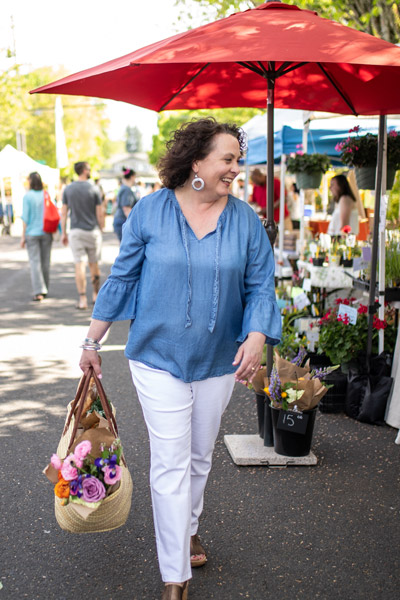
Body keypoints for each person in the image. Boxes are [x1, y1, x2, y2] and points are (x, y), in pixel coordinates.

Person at [79, 118, 281, 600]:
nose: (236, 168)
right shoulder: (150, 211)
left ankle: (188, 528)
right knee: (170, 462)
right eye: (227, 159)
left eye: (238, 159)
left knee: (197, 458)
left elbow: (260, 285)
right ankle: (176, 578)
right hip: (157, 357)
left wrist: (257, 335)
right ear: (197, 163)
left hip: (218, 361)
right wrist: (92, 342)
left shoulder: (247, 221)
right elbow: (122, 279)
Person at [61, 161, 104, 309]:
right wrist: (102, 227)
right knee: (94, 264)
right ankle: (96, 296)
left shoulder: (68, 189)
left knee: (79, 264)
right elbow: (99, 212)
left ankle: (82, 300)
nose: (91, 170)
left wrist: (63, 232)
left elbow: (64, 212)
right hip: (92, 231)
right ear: (85, 170)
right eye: (89, 168)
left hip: (76, 231)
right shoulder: (94, 188)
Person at [20, 172, 54, 301]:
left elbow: (25, 218)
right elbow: (52, 211)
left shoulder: (27, 196)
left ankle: (39, 291)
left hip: (32, 233)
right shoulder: (46, 194)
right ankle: (44, 288)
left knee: (35, 262)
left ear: (30, 181)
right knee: (45, 261)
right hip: (46, 232)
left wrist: (23, 237)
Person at [113, 167, 139, 241]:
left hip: (121, 221)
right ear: (132, 177)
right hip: (123, 221)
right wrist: (134, 224)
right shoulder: (126, 190)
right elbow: (126, 209)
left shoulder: (124, 188)